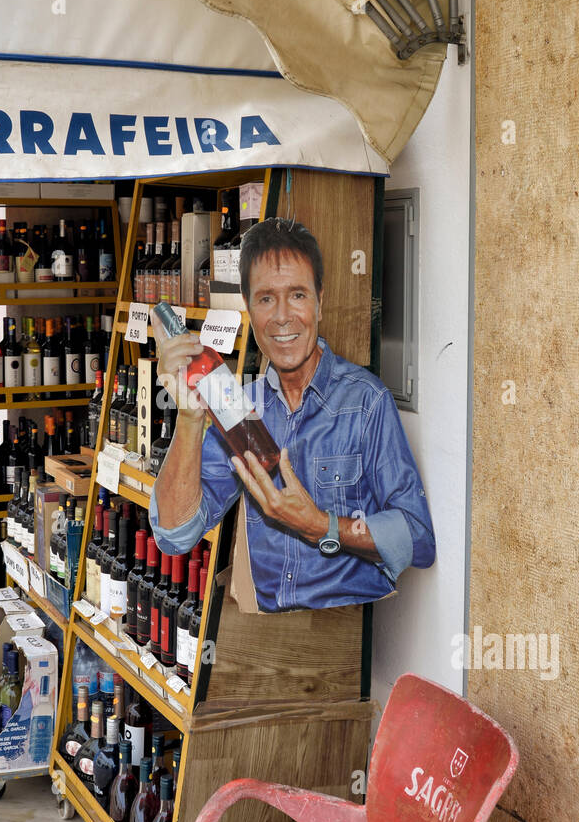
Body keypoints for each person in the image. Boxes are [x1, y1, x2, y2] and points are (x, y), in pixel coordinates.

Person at [149, 217, 435, 611]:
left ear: (320, 298)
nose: (282, 316)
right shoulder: (237, 409)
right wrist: (189, 415)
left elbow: (418, 539)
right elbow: (174, 535)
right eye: (266, 298)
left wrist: (322, 527)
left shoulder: (365, 403)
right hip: (266, 643)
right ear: (248, 307)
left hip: (342, 640)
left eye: (297, 295)